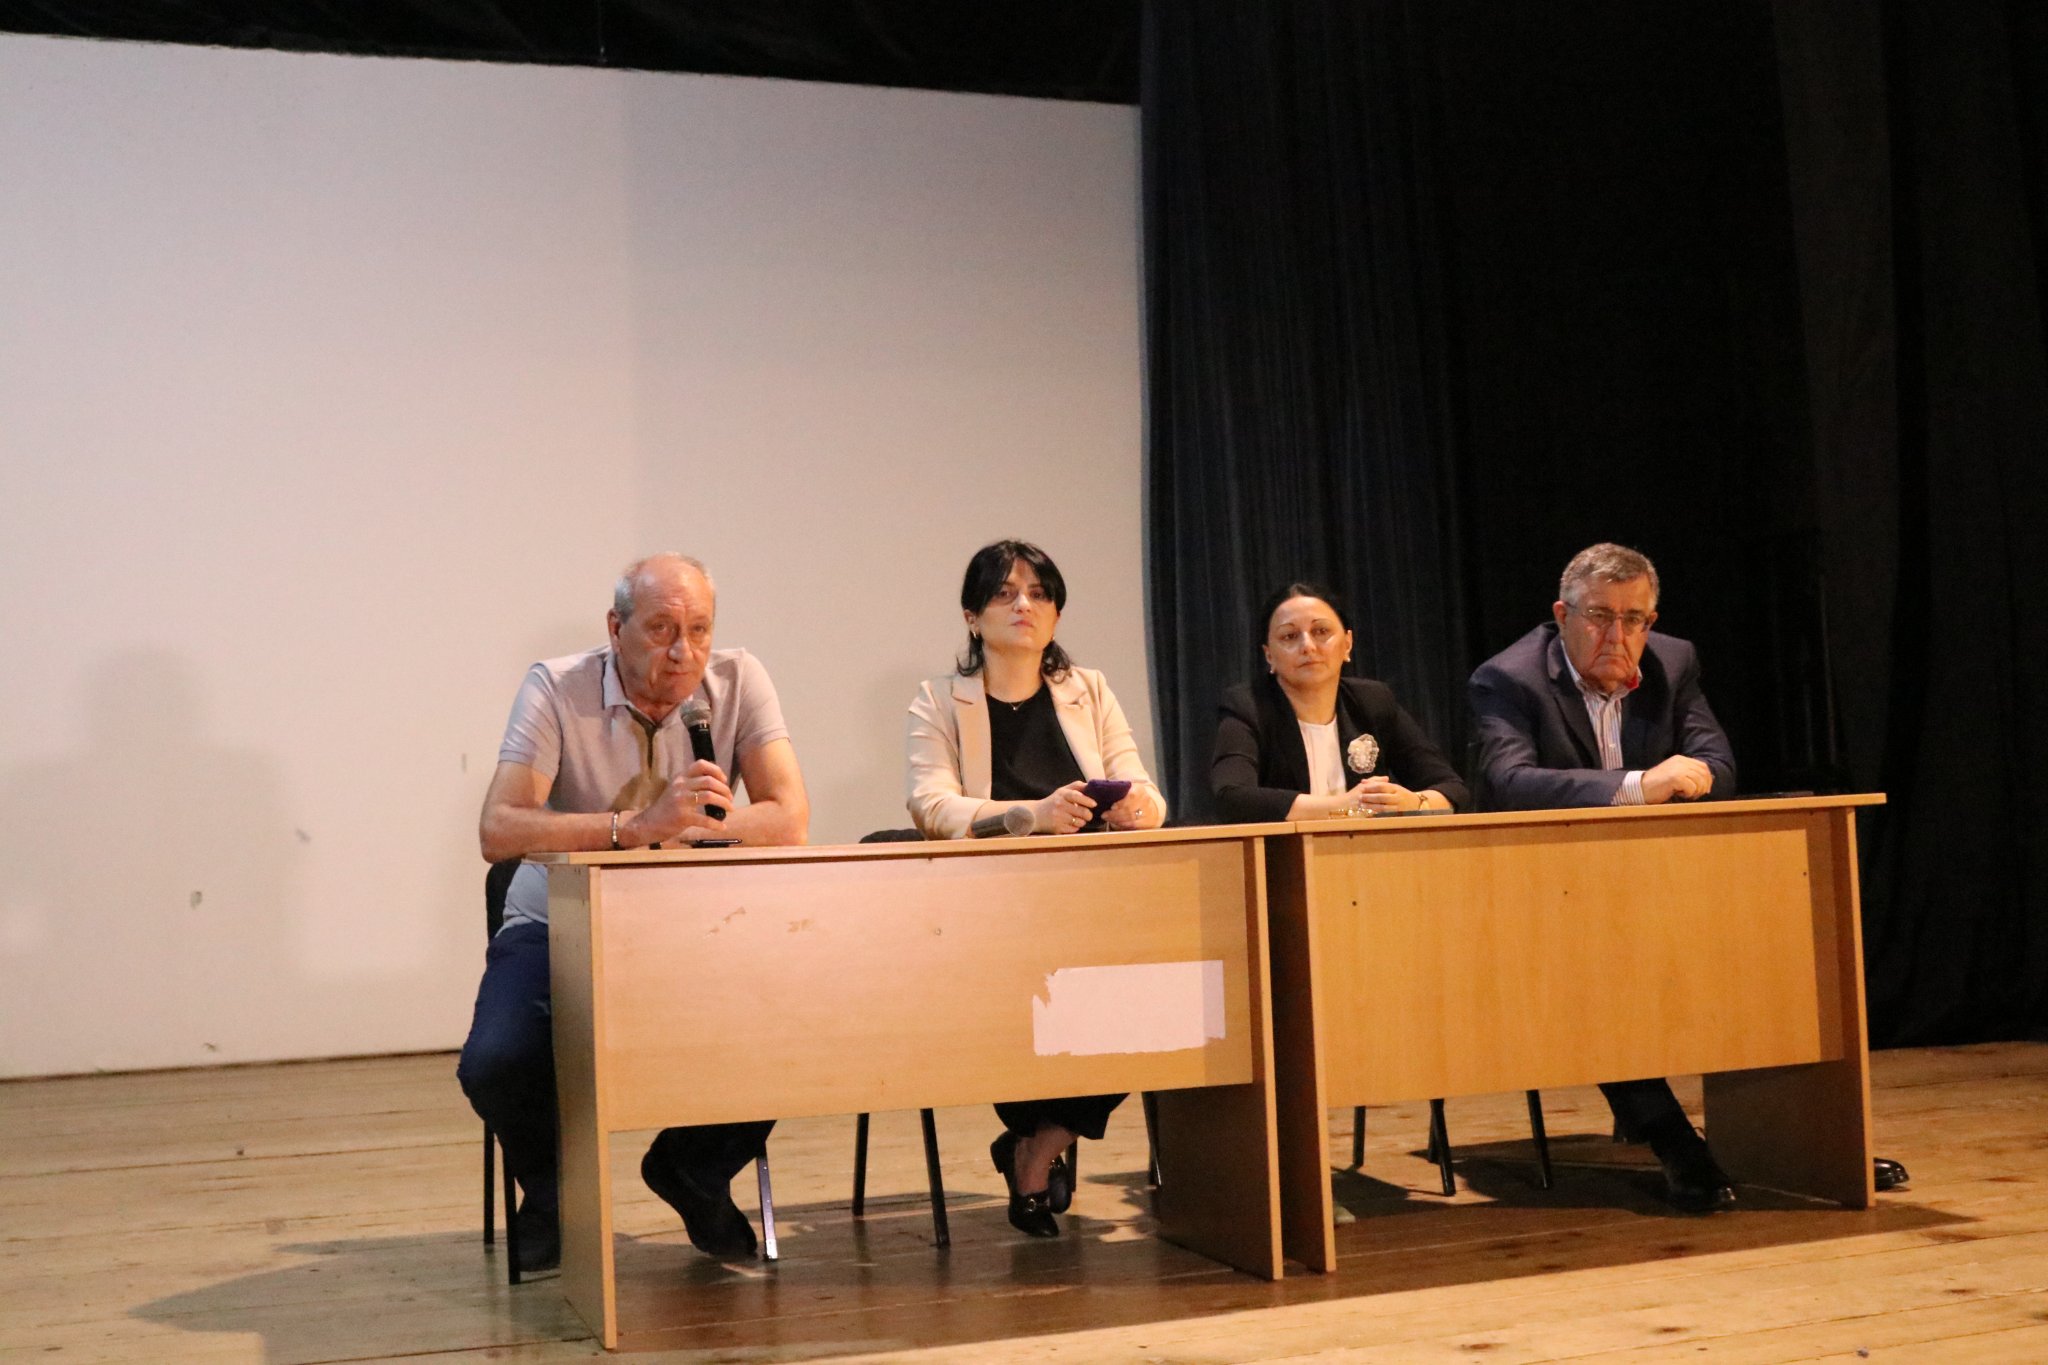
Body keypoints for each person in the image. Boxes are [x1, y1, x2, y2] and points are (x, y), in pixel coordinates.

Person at [460, 553, 809, 1272]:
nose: (683, 651)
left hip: (692, 928)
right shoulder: (556, 686)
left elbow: (789, 817)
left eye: (699, 629)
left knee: (798, 1028)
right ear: (616, 628)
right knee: (495, 1062)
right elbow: (500, 828)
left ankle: (693, 1169)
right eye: (661, 629)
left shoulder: (740, 679)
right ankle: (558, 1194)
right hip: (560, 922)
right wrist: (634, 827)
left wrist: (683, 831)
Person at [1466, 541, 1739, 1212]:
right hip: (1543, 897)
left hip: (1654, 885)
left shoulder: (1673, 661)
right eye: (1599, 616)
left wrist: (1692, 777)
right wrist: (1642, 785)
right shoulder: (1507, 679)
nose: (1618, 635)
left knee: (1758, 945)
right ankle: (1676, 1142)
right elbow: (1509, 782)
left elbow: (1718, 766)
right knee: (1594, 968)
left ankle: (1800, 1140)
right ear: (1563, 615)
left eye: (1634, 618)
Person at [905, 539, 1166, 1237]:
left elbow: (1145, 789)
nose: (1024, 605)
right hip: (990, 917)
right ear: (972, 616)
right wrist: (1032, 816)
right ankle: (1035, 1143)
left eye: (1040, 594)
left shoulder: (1090, 690)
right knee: (1018, 1010)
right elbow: (931, 806)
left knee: (1159, 1003)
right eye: (1005, 593)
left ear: (1056, 614)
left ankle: (1036, 1148)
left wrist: (1138, 808)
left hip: (1096, 909)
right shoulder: (940, 700)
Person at [1211, 582, 1468, 822]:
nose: (1307, 646)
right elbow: (1231, 797)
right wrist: (1344, 806)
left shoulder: (1372, 702)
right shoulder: (1247, 706)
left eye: (1321, 631)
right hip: (1281, 853)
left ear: (1347, 644)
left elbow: (1453, 788)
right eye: (1289, 636)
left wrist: (1415, 802)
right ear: (1269, 655)